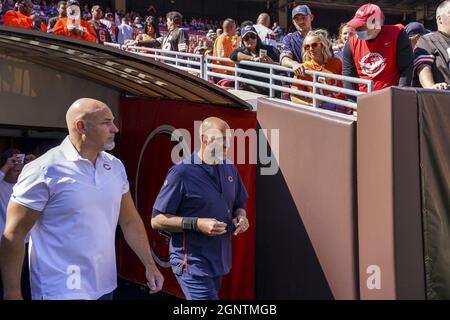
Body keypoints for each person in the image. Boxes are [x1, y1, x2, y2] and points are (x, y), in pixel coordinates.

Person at [0, 98, 164, 300]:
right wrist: (12, 293)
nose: (115, 128)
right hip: (59, 290)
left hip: (104, 287)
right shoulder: (43, 169)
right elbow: (14, 234)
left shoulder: (115, 166)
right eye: (106, 122)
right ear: (81, 126)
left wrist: (150, 265)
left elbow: (129, 220)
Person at [151, 117, 249, 300]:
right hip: (191, 263)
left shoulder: (229, 168)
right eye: (223, 141)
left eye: (229, 141)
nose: (228, 146)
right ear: (205, 139)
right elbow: (157, 220)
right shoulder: (182, 172)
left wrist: (241, 218)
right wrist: (197, 224)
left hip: (218, 260)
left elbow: (239, 205)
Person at [342, 3, 414, 94]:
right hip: (362, 98)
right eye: (356, 26)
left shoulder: (396, 35)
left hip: (390, 98)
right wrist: (352, 104)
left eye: (362, 26)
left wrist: (399, 96)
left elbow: (406, 69)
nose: (357, 30)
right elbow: (347, 75)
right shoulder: (351, 43)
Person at [0, 149, 36, 300]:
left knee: (27, 282)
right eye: (12, 162)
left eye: (19, 161)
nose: (16, 166)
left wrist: (35, 165)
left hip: (28, 243)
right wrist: (5, 167)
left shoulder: (26, 184)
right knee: (6, 283)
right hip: (4, 242)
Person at [291, 29, 351, 114]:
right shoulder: (305, 68)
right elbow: (294, 97)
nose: (310, 49)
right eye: (307, 46)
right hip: (322, 111)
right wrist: (313, 104)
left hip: (342, 108)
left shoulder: (336, 62)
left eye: (314, 45)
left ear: (323, 45)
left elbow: (347, 86)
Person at [230, 25, 280, 96]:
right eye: (246, 38)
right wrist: (253, 58)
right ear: (243, 41)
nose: (250, 40)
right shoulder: (241, 51)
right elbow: (233, 55)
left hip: (272, 92)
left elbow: (283, 65)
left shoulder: (270, 49)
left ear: (257, 37)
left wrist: (272, 63)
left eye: (253, 36)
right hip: (251, 93)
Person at [413, 0, 450, 90]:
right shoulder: (427, 40)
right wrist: (431, 87)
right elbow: (423, 66)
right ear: (440, 19)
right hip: (443, 97)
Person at [280, 5, 314, 76]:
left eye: (303, 18)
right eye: (297, 19)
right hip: (297, 82)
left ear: (311, 17)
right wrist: (294, 64)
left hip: (317, 82)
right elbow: (284, 59)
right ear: (293, 22)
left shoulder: (321, 37)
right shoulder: (289, 38)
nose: (300, 21)